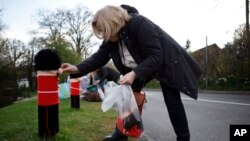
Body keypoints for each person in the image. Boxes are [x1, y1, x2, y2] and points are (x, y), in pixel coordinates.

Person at [61, 5, 201, 141]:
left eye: (103, 29)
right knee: (126, 97)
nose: (103, 34)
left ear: (111, 22)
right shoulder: (111, 38)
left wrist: (134, 73)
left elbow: (156, 56)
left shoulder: (139, 24)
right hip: (143, 65)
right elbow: (99, 57)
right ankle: (122, 132)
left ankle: (183, 138)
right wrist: (77, 68)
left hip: (167, 63)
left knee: (172, 102)